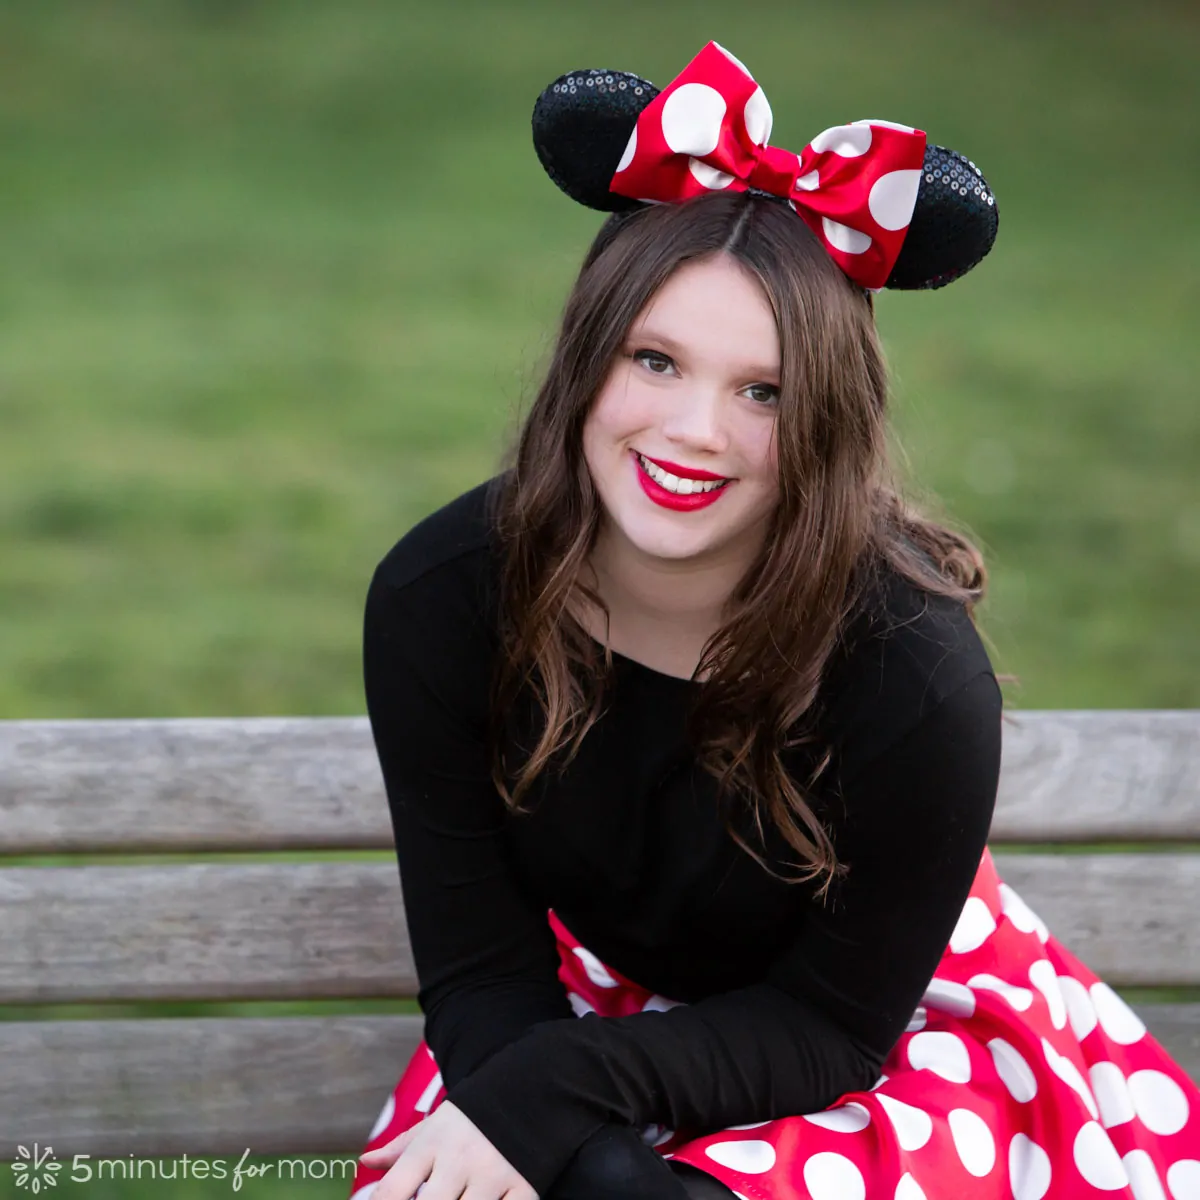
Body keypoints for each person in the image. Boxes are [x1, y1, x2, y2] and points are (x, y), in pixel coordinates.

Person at [347, 42, 1200, 1200]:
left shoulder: (911, 673)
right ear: (584, 365)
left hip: (889, 1034)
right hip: (581, 1014)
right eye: (656, 361)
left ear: (828, 425)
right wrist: (572, 1142)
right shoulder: (443, 601)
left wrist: (572, 1119)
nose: (695, 431)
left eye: (766, 391)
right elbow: (483, 970)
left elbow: (834, 1026)